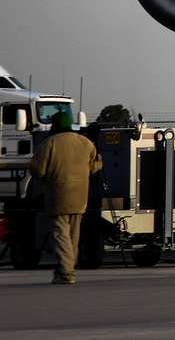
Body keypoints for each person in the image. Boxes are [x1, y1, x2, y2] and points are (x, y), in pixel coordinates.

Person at [28, 111, 102, 285]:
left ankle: (66, 272)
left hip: (58, 195)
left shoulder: (49, 144)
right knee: (73, 235)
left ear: (54, 125)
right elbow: (94, 166)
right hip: (80, 195)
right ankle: (68, 267)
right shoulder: (86, 143)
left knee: (61, 234)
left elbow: (38, 170)